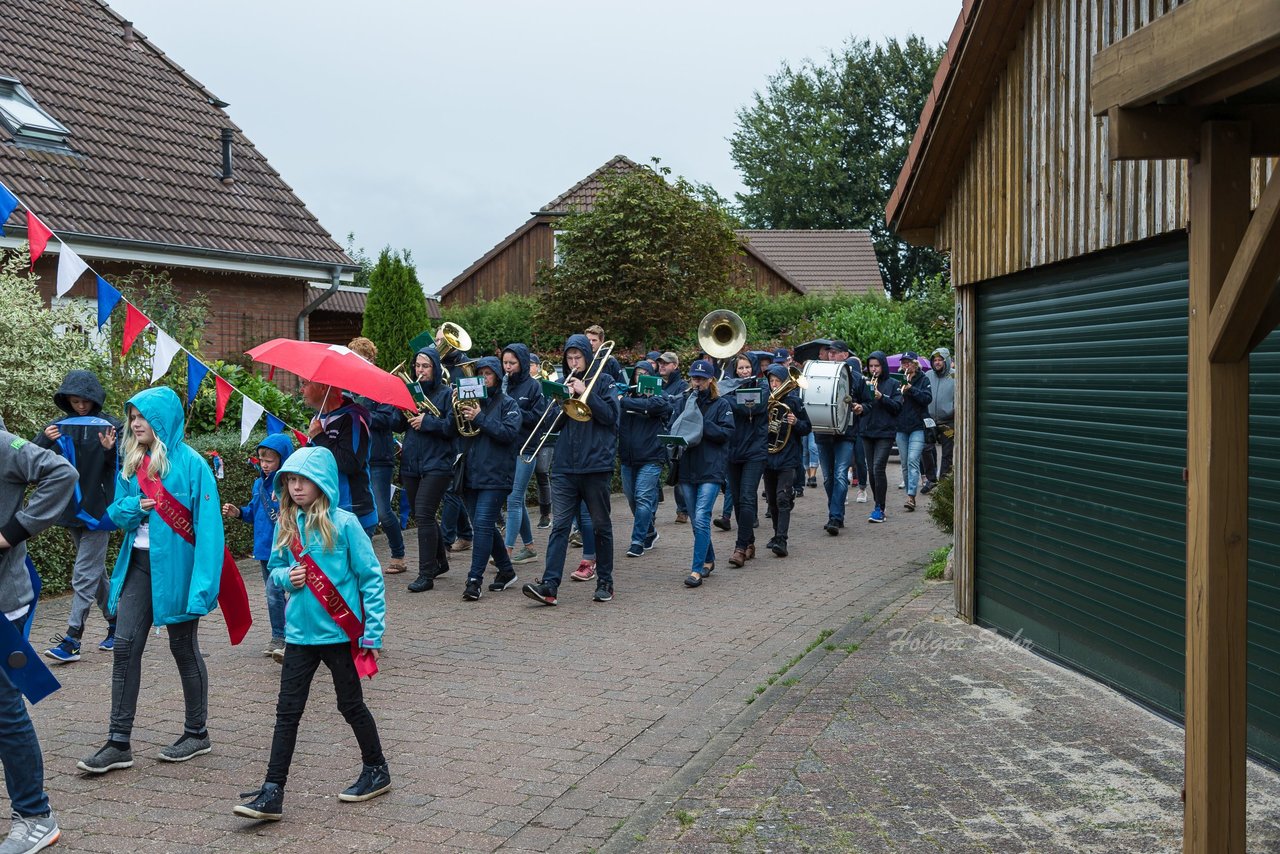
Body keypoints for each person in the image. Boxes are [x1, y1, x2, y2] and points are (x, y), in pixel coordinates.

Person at [234, 446, 388, 822]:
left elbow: (371, 580)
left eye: (303, 480)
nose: (296, 487)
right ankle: (272, 791)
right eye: (290, 480)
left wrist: (372, 634)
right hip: (299, 636)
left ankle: (377, 769)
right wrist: (290, 576)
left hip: (338, 635)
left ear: (322, 483)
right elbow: (274, 569)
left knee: (350, 706)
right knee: (286, 713)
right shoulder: (288, 525)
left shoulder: (346, 524)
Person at [78, 387, 225, 774]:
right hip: (139, 565)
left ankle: (196, 733)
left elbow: (210, 533)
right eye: (132, 417)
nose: (136, 423)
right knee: (125, 647)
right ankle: (118, 742)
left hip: (179, 569)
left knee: (183, 647)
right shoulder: (133, 460)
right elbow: (117, 513)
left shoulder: (193, 465)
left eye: (142, 416)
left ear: (162, 420)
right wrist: (135, 507)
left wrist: (203, 587)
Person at [0, 414, 78, 854]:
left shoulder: (3, 444)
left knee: (5, 709)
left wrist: (11, 533)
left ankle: (35, 816)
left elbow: (61, 473)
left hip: (1, 602)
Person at [522, 334, 619, 606]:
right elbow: (552, 425)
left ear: (588, 356)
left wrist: (585, 392)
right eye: (570, 358)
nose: (574, 362)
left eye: (578, 357)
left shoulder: (605, 381)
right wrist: (560, 400)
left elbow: (612, 417)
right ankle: (549, 586)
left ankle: (605, 583)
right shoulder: (565, 383)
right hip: (565, 466)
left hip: (596, 464)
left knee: (600, 526)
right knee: (560, 527)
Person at [35, 370, 120, 663]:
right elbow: (30, 461)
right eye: (75, 401)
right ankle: (116, 623)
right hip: (71, 510)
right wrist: (43, 440)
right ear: (66, 400)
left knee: (84, 574)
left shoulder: (111, 426)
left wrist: (111, 450)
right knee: (96, 574)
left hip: (100, 513)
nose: (81, 406)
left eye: (85, 401)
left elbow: (125, 465)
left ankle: (72, 640)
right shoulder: (58, 426)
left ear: (94, 399)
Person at [448, 357, 521, 601]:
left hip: (497, 475)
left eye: (489, 373)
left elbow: (509, 434)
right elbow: (454, 430)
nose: (484, 377)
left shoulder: (508, 403)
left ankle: (474, 580)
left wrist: (479, 417)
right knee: (485, 525)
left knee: (480, 525)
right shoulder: (470, 401)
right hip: (470, 473)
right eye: (480, 373)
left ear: (498, 377)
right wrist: (455, 409)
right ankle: (506, 571)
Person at [222, 433, 294, 660]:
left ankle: (295, 636)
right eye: (261, 459)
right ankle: (278, 636)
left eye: (270, 460)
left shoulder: (291, 484)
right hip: (265, 549)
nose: (264, 465)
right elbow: (254, 512)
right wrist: (239, 513)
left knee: (293, 593)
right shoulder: (258, 484)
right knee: (273, 594)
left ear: (283, 460)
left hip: (288, 547)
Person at [346, 338, 406, 574]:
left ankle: (399, 554)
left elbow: (390, 420)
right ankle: (359, 556)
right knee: (356, 508)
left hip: (379, 455)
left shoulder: (381, 385)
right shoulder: (349, 386)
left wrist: (363, 412)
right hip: (357, 456)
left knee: (382, 509)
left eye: (357, 356)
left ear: (369, 359)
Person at [398, 346, 455, 593]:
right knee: (424, 515)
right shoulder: (412, 392)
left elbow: (453, 427)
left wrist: (427, 421)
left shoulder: (446, 394)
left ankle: (426, 574)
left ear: (435, 367)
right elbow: (397, 423)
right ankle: (440, 562)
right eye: (417, 366)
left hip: (438, 463)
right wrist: (396, 406)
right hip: (412, 461)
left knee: (423, 514)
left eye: (425, 366)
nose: (420, 371)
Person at [673, 360, 734, 588]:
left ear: (710, 380)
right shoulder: (684, 401)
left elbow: (726, 433)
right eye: (693, 378)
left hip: (711, 468)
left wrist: (700, 423)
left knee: (701, 517)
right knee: (696, 520)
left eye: (701, 378)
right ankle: (708, 559)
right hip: (688, 467)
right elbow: (674, 426)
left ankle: (696, 570)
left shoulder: (722, 404)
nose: (696, 382)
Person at [300, 380, 377, 535]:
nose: (301, 390)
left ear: (322, 387)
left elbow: (350, 463)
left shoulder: (353, 419)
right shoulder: (317, 419)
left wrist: (320, 437)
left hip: (353, 514)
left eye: (304, 384)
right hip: (324, 512)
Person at [618, 359, 672, 558]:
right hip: (628, 457)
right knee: (632, 498)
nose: (640, 377)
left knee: (642, 498)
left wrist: (623, 401)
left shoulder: (660, 394)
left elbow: (658, 405)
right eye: (638, 373)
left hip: (651, 456)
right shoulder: (626, 393)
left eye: (645, 373)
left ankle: (637, 541)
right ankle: (650, 531)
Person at [500, 343, 546, 567]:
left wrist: (514, 411)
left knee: (514, 499)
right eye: (505, 363)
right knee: (517, 501)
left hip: (526, 449)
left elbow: (539, 419)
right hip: (506, 448)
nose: (507, 368)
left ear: (523, 363)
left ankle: (506, 551)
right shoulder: (503, 384)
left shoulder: (534, 387)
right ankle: (529, 548)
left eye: (512, 363)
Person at [814, 340, 864, 536]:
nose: (831, 356)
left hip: (846, 433)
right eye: (829, 353)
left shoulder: (857, 378)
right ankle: (836, 511)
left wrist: (861, 407)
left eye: (835, 353)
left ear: (845, 355)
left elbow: (867, 403)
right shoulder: (819, 375)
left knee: (841, 474)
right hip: (823, 432)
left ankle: (834, 517)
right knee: (828, 478)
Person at [762, 364, 811, 557]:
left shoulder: (795, 403)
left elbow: (807, 427)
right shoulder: (764, 402)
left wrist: (796, 422)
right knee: (772, 500)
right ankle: (776, 534)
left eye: (777, 381)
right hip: (769, 456)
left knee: (783, 498)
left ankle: (782, 539)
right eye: (771, 381)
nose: (774, 385)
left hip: (788, 457)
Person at [724, 353, 767, 567]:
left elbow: (751, 406)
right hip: (732, 450)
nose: (744, 372)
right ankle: (749, 542)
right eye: (740, 368)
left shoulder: (763, 385)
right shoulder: (727, 385)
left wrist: (728, 398)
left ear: (754, 368)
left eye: (747, 367)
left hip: (755, 450)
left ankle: (740, 547)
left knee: (748, 497)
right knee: (739, 500)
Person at [854, 352, 903, 523]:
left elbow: (897, 406)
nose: (874, 370)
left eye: (877, 366)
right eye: (871, 366)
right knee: (871, 471)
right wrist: (859, 407)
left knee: (878, 468)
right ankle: (878, 503)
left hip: (885, 432)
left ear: (883, 366)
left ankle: (879, 508)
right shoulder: (864, 383)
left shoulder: (893, 384)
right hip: (867, 431)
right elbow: (861, 404)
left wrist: (882, 397)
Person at [895, 352, 933, 512]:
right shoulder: (897, 379)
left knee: (912, 460)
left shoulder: (923, 379)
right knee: (904, 463)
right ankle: (909, 495)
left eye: (908, 363)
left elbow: (927, 399)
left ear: (915, 364)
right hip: (901, 427)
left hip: (917, 426)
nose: (906, 366)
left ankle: (911, 496)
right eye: (903, 363)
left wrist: (911, 389)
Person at [656, 352, 689, 523]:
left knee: (677, 470)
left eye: (666, 363)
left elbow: (678, 406)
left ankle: (682, 510)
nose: (661, 365)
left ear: (675, 366)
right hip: (656, 431)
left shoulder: (683, 385)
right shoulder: (655, 382)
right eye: (660, 363)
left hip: (673, 433)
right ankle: (650, 511)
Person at [921, 347, 955, 494]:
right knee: (926, 448)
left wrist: (954, 410)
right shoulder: (927, 375)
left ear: (946, 360)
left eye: (940, 360)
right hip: (930, 421)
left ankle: (944, 482)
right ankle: (931, 479)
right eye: (934, 360)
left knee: (947, 453)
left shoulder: (955, 377)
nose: (937, 363)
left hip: (949, 422)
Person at [528, 354, 553, 529]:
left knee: (542, 474)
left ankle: (545, 514)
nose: (528, 368)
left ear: (537, 366)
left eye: (530, 365)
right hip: (528, 437)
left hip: (545, 438)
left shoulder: (543, 385)